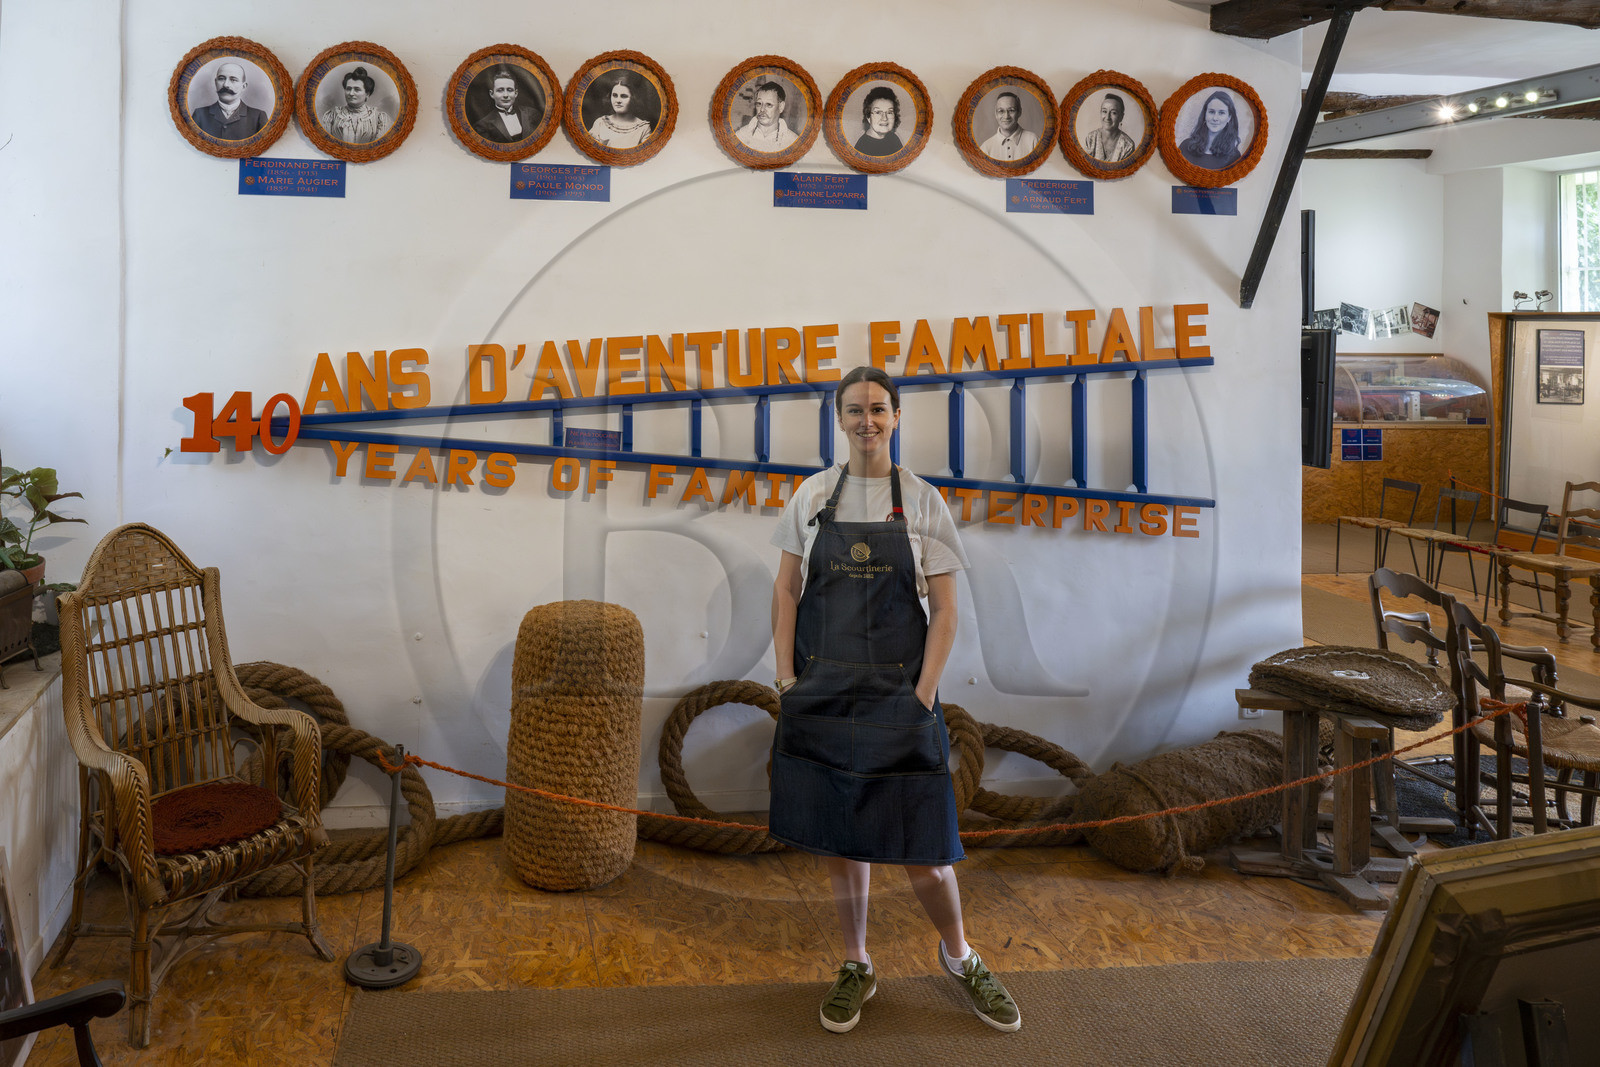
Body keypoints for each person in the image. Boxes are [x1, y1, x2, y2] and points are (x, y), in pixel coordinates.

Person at [769, 365, 1021, 1036]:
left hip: (900, 698)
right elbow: (787, 589)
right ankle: (857, 963)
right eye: (855, 410)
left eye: (878, 408)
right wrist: (787, 678)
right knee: (842, 841)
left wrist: (923, 695)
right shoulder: (811, 495)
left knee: (927, 851)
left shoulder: (923, 501)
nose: (867, 420)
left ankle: (959, 954)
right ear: (839, 418)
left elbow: (945, 611)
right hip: (824, 693)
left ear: (896, 416)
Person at [191, 60, 268, 140]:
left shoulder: (258, 117)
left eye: (233, 80)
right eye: (221, 79)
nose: (226, 85)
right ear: (215, 82)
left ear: (243, 86)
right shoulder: (200, 115)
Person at [319, 66, 392, 145]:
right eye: (348, 89)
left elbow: (379, 147)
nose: (351, 93)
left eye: (357, 89)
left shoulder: (379, 119)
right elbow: (326, 144)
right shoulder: (332, 116)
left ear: (367, 94)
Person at [474, 68, 542, 143]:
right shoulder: (483, 126)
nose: (505, 95)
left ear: (515, 93)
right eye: (500, 90)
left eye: (510, 90)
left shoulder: (532, 114)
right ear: (492, 94)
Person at [1178, 89, 1242, 170]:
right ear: (1205, 114)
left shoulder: (1234, 157)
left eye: (1221, 113)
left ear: (1229, 117)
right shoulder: (1186, 146)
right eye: (1211, 112)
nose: (1215, 118)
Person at [587, 71, 652, 149]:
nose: (618, 100)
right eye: (615, 95)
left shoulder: (643, 128)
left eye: (623, 96)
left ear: (634, 99)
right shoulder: (600, 123)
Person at [735, 81, 798, 152]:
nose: (762, 109)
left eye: (769, 104)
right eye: (759, 103)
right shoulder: (741, 136)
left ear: (781, 107)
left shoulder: (793, 142)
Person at [978, 91, 1037, 161]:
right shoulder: (985, 148)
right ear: (996, 114)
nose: (1006, 116)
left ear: (1019, 112)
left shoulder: (1034, 141)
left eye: (1011, 110)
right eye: (1001, 111)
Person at [1081, 92, 1135, 164]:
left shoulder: (1128, 145)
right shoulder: (1091, 138)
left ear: (1121, 117)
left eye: (1114, 113)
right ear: (1100, 113)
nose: (1107, 117)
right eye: (1104, 111)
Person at [853, 86, 904, 157]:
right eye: (878, 112)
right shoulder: (862, 148)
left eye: (889, 112)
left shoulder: (894, 138)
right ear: (868, 117)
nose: (884, 118)